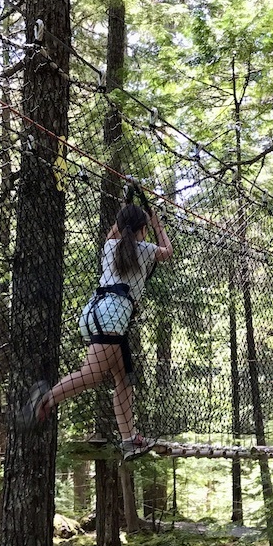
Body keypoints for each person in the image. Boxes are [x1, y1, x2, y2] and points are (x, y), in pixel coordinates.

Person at [21, 196, 173, 460]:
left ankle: (129, 440)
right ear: (142, 229)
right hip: (113, 318)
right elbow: (168, 252)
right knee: (91, 375)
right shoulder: (146, 249)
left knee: (123, 380)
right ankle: (45, 399)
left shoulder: (110, 246)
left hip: (98, 313)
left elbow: (111, 233)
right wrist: (157, 222)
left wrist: (124, 211)